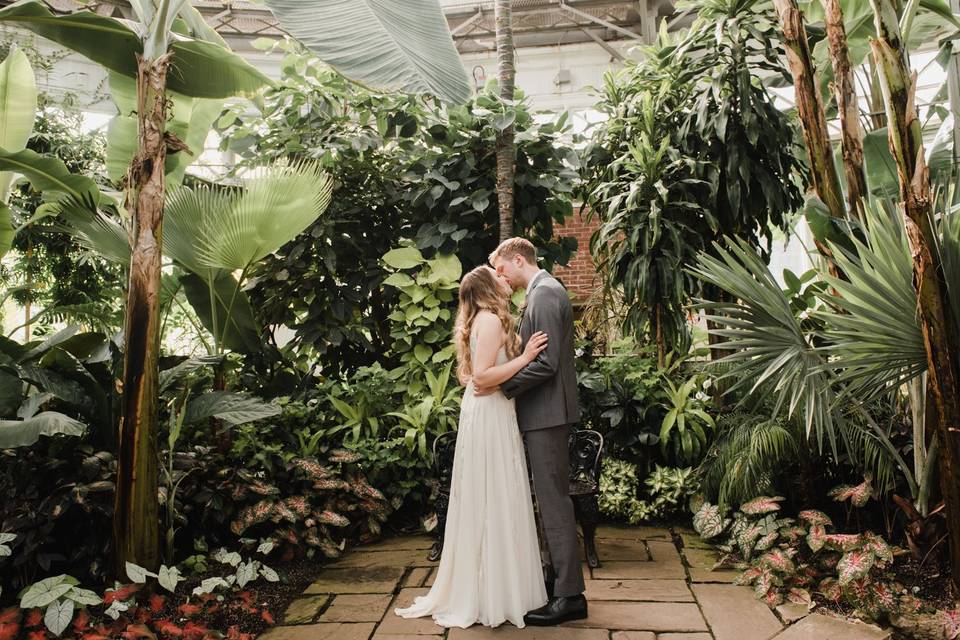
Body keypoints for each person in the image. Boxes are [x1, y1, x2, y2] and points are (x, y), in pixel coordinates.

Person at [394, 265, 549, 628]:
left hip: (487, 410)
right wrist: (525, 358)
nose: (503, 279)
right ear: (486, 288)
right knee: (494, 495)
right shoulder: (491, 321)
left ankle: (491, 587)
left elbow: (469, 376)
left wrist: (487, 376)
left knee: (490, 494)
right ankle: (494, 593)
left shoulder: (480, 319)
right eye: (496, 277)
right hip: (490, 413)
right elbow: (480, 377)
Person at [484, 237, 587, 626]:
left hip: (546, 414)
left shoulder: (544, 295)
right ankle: (556, 581)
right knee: (549, 500)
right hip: (543, 413)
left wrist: (503, 387)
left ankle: (569, 596)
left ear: (518, 260)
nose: (500, 277)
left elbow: (545, 365)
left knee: (554, 502)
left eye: (502, 268)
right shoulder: (542, 292)